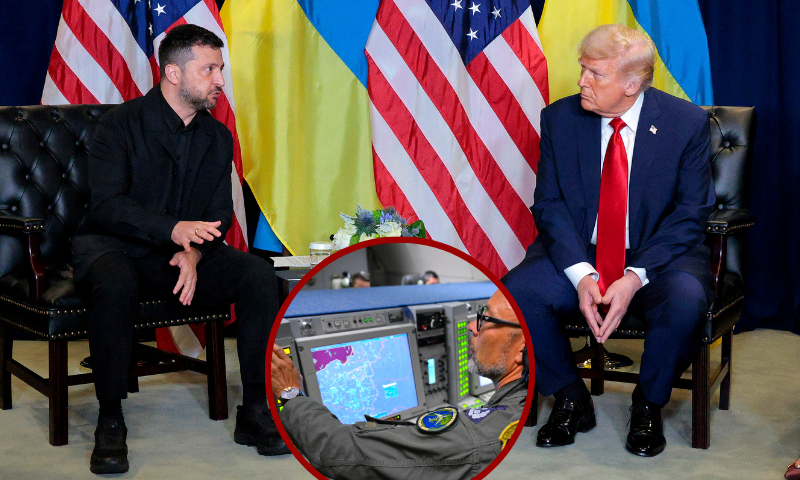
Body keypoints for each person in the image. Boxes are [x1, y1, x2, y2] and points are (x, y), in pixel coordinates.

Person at [72, 25, 287, 474]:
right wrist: (175, 231)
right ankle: (111, 418)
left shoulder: (217, 137)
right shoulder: (117, 126)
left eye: (220, 69)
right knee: (113, 288)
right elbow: (109, 206)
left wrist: (193, 251)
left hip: (185, 254)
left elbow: (217, 216)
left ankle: (256, 410)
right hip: (115, 247)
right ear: (173, 72)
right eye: (208, 69)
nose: (219, 80)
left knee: (259, 278)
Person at [502, 24, 714, 457]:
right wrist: (581, 274)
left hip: (658, 255)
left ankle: (648, 405)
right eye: (583, 69)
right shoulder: (559, 118)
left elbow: (691, 213)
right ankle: (570, 398)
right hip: (582, 250)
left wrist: (636, 276)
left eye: (595, 74)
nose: (582, 81)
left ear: (632, 84)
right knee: (518, 290)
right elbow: (550, 204)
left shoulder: (686, 123)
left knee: (687, 299)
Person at [270, 290, 528, 480]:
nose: (472, 326)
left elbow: (335, 450)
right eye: (478, 314)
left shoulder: (474, 437)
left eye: (487, 319)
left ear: (522, 351)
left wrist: (290, 393)